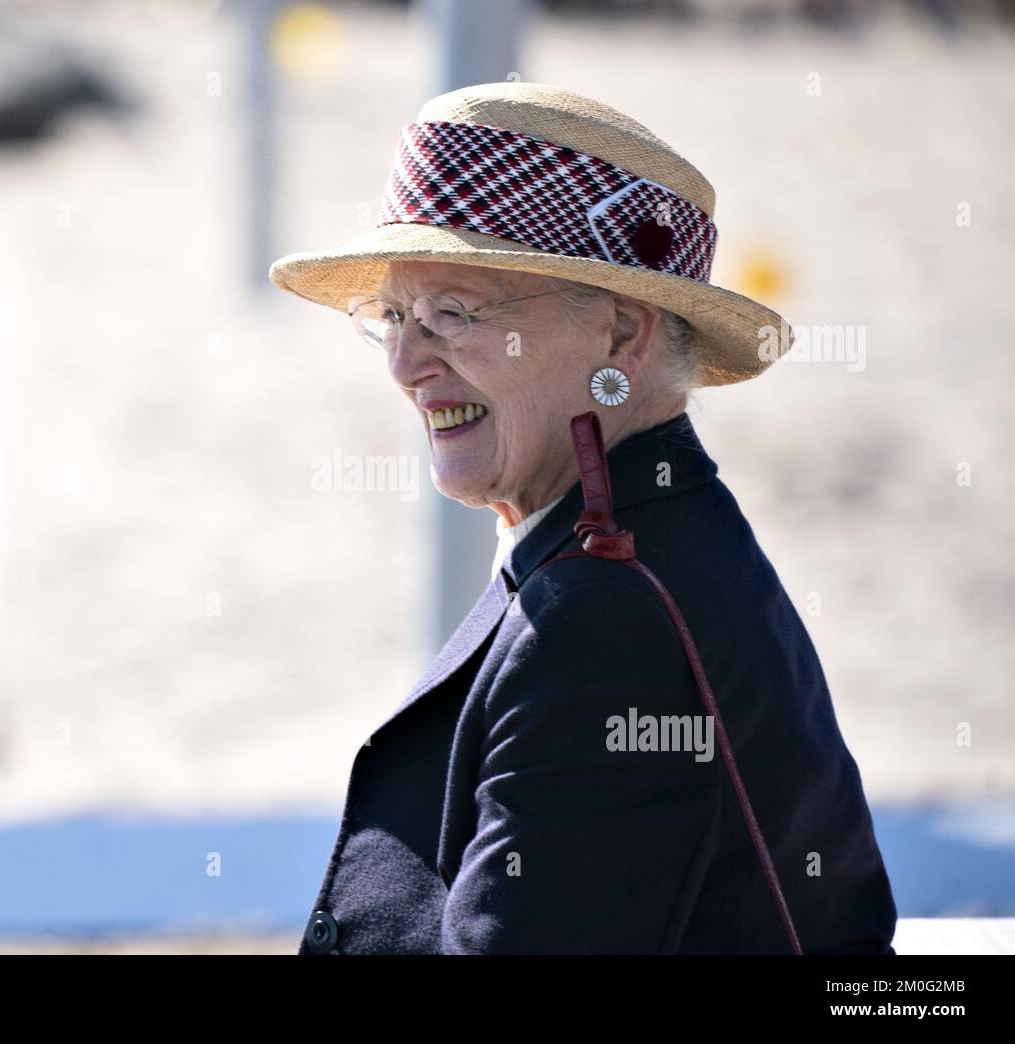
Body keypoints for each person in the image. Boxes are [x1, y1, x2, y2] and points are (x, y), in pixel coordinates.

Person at [267, 81, 897, 954]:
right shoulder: (634, 536)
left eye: (454, 312)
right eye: (394, 316)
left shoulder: (607, 619)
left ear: (621, 334)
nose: (406, 365)